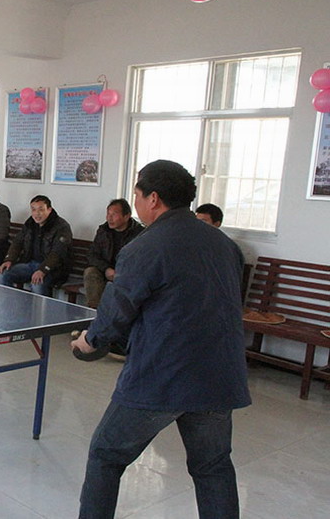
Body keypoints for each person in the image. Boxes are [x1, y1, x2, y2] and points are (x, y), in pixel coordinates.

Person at [71, 160, 250, 519]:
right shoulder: (225, 246)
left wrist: (89, 340)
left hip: (162, 376)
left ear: (153, 198)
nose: (136, 202)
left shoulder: (145, 247)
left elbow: (117, 310)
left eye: (137, 195)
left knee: (106, 455)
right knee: (213, 467)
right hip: (219, 376)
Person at [0, 195, 72, 296]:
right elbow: (17, 242)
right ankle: (9, 304)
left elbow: (57, 253)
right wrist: (9, 259)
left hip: (53, 269)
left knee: (37, 283)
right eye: (33, 210)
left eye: (41, 209)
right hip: (29, 264)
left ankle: (40, 307)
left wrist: (43, 270)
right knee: (3, 274)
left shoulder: (61, 226)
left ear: (49, 210)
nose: (37, 213)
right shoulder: (30, 223)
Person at [83, 198, 144, 309]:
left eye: (114, 214)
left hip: (126, 274)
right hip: (105, 271)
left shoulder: (139, 234)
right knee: (90, 272)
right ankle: (94, 311)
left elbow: (140, 262)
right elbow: (92, 255)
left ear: (126, 216)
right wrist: (106, 269)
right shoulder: (103, 231)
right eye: (108, 214)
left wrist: (119, 273)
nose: (109, 218)